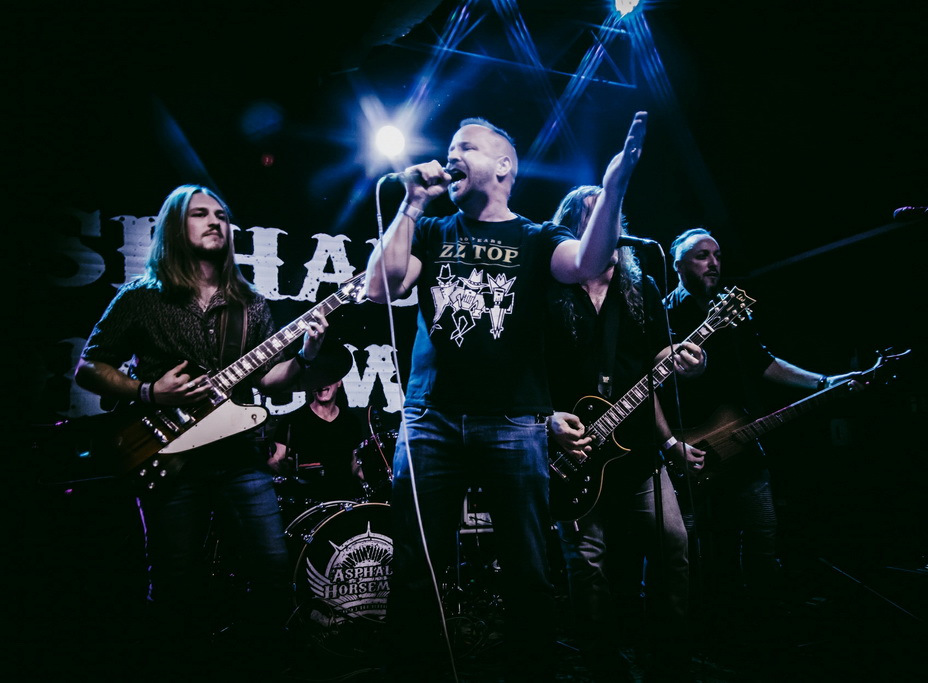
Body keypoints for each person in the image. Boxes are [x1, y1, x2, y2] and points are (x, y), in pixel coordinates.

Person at [364, 111, 648, 681]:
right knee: (418, 564)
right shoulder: (432, 230)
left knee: (526, 567)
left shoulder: (536, 237)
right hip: (430, 418)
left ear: (503, 165)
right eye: (450, 147)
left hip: (515, 421)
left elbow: (587, 263)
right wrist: (411, 204)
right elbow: (379, 287)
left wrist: (614, 186)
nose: (452, 155)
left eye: (466, 147)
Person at [75, 184, 328, 677]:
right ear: (176, 225)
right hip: (169, 456)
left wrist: (306, 356)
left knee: (273, 570)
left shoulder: (250, 303)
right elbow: (89, 367)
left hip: (240, 457)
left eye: (221, 214)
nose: (215, 221)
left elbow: (267, 379)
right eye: (200, 214)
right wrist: (150, 392)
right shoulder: (142, 297)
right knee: (175, 583)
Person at [662, 227, 861, 642]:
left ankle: (765, 624)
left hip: (740, 437)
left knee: (762, 531)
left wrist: (823, 381)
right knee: (689, 546)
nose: (714, 263)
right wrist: (670, 443)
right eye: (701, 256)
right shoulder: (662, 315)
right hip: (687, 448)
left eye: (717, 255)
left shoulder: (729, 310)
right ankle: (693, 627)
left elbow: (763, 363)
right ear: (678, 264)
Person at [544, 186, 706, 682]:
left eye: (616, 215)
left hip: (636, 451)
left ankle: (669, 658)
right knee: (587, 564)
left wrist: (683, 361)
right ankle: (603, 666)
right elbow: (523, 368)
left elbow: (654, 363)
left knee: (674, 544)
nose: (612, 225)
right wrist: (547, 418)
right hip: (570, 449)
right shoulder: (547, 287)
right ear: (576, 229)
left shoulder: (642, 285)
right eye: (600, 216)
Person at [268, 378, 372, 508]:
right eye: (317, 378)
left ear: (339, 382)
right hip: (309, 503)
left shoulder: (351, 421)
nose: (322, 383)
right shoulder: (293, 420)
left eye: (327, 377)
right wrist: (281, 466)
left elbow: (355, 464)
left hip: (345, 501)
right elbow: (275, 460)